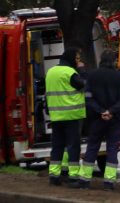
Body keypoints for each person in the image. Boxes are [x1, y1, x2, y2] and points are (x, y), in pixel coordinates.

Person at [73, 50, 120, 190]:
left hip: (96, 119)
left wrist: (101, 111)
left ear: (101, 60)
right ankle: (109, 183)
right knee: (112, 149)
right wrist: (111, 111)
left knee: (92, 147)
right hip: (115, 119)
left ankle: (84, 181)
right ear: (113, 61)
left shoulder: (92, 75)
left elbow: (88, 97)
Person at [45, 47, 86, 186]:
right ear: (71, 58)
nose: (78, 61)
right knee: (73, 146)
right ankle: (73, 176)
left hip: (56, 116)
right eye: (77, 59)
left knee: (57, 146)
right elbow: (84, 85)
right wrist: (82, 70)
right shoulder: (71, 73)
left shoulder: (50, 72)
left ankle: (54, 176)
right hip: (72, 116)